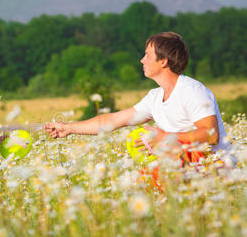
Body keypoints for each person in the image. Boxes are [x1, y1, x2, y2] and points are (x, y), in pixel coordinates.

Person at [45, 32, 233, 167]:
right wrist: (69, 128)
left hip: (216, 174)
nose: (142, 60)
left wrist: (166, 138)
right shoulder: (155, 97)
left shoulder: (192, 91)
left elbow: (211, 135)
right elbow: (112, 120)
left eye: (147, 55)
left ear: (163, 61)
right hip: (186, 172)